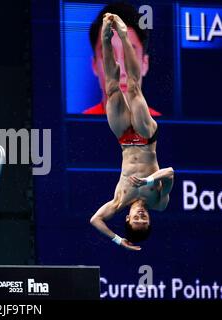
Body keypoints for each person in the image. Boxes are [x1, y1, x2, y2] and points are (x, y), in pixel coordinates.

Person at [89, 13, 174, 251]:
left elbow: (95, 220)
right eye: (144, 219)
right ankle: (124, 36)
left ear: (127, 219)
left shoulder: (120, 201)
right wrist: (148, 179)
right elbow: (169, 173)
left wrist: (118, 239)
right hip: (146, 137)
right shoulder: (158, 202)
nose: (140, 215)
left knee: (112, 88)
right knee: (134, 88)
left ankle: (106, 38)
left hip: (125, 139)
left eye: (136, 219)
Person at [83, 2, 161, 116]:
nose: (120, 72)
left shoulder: (165, 128)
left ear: (144, 64)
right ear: (94, 65)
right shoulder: (77, 126)